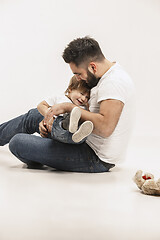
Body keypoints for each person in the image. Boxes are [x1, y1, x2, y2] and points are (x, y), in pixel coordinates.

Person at [1, 36, 135, 172]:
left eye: (78, 74)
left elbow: (106, 128)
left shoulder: (113, 82)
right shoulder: (103, 75)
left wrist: (69, 107)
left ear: (93, 67)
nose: (78, 79)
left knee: (17, 143)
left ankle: (39, 156)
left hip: (93, 157)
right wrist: (49, 122)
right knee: (34, 115)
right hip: (78, 137)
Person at [37, 75, 93, 144]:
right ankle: (66, 124)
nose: (84, 99)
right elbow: (41, 105)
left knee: (81, 127)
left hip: (73, 138)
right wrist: (49, 116)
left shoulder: (83, 108)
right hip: (58, 129)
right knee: (61, 123)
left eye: (87, 97)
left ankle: (78, 134)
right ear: (70, 89)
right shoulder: (60, 98)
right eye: (81, 93)